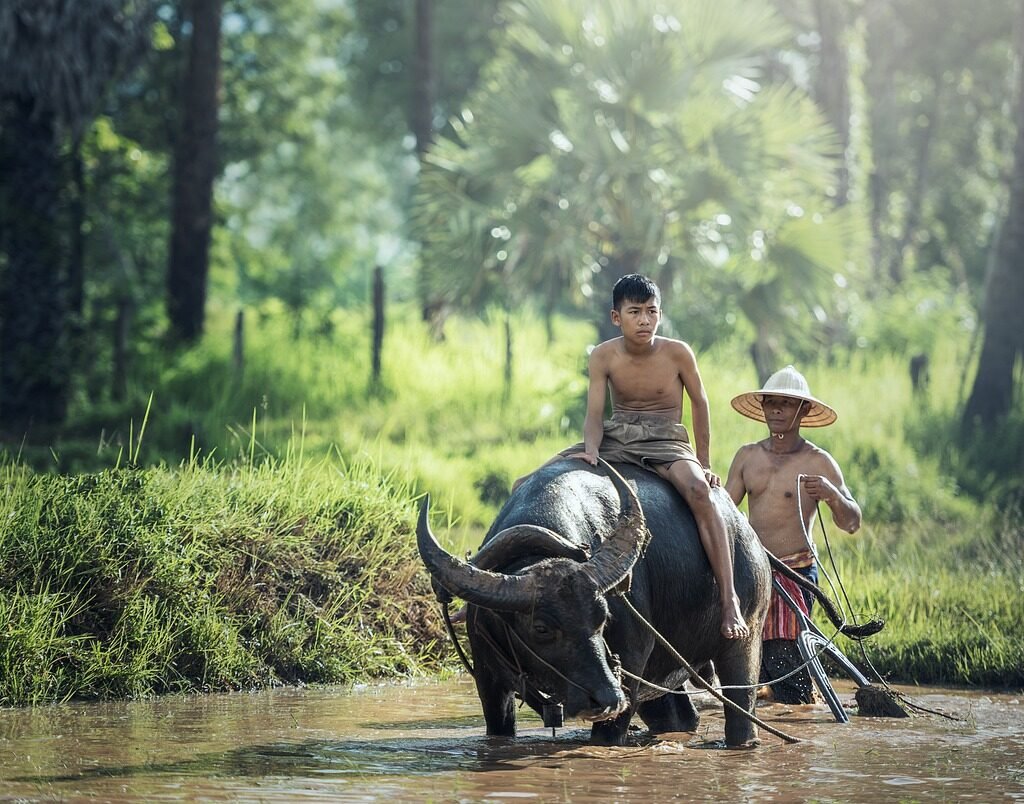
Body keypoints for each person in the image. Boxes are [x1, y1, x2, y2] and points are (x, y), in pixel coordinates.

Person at [548, 273, 749, 639]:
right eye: (635, 312)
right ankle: (491, 589)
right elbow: (595, 413)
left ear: (661, 314)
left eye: (652, 311)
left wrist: (704, 463)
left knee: (701, 494)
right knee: (534, 480)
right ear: (616, 317)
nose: (645, 320)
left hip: (666, 440)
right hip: (619, 436)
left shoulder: (677, 353)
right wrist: (591, 449)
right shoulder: (603, 355)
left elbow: (700, 404)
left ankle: (729, 598)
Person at [724, 365, 861, 703]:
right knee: (748, 663)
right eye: (771, 403)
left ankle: (799, 712)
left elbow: (852, 522)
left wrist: (830, 493)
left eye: (786, 404)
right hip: (753, 571)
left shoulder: (818, 461)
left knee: (785, 658)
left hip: (795, 572)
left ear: (804, 410)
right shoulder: (748, 457)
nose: (777, 411)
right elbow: (725, 512)